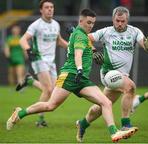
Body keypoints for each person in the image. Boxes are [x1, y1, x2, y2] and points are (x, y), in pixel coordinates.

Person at [6, 8, 136, 143]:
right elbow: (78, 53)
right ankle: (20, 113)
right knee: (50, 106)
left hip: (82, 79)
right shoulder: (80, 35)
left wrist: (93, 52)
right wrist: (79, 69)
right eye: (88, 22)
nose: (91, 25)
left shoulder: (81, 34)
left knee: (106, 102)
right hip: (70, 75)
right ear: (81, 21)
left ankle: (114, 133)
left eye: (93, 23)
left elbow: (81, 45)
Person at [76, 6, 148, 142]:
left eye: (123, 21)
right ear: (113, 19)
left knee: (101, 107)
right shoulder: (106, 32)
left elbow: (144, 43)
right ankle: (125, 124)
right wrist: (94, 51)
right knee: (130, 87)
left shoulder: (134, 32)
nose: (120, 24)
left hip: (122, 75)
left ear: (127, 20)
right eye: (117, 20)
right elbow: (84, 38)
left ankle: (83, 123)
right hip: (108, 74)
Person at [17, 0, 68, 127]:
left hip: (51, 61)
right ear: (41, 10)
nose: (50, 9)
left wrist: (72, 47)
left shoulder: (56, 24)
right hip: (39, 59)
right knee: (48, 89)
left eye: (51, 7)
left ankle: (30, 81)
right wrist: (28, 50)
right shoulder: (36, 25)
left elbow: (59, 41)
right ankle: (40, 120)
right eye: (47, 7)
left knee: (52, 91)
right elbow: (22, 39)